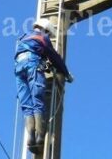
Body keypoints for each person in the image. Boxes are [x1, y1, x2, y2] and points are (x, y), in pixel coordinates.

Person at [14, 18, 73, 152]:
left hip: (18, 69)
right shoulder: (42, 37)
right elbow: (54, 57)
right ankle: (40, 136)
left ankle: (31, 136)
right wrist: (66, 73)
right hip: (32, 65)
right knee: (37, 100)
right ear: (45, 29)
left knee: (26, 104)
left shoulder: (22, 38)